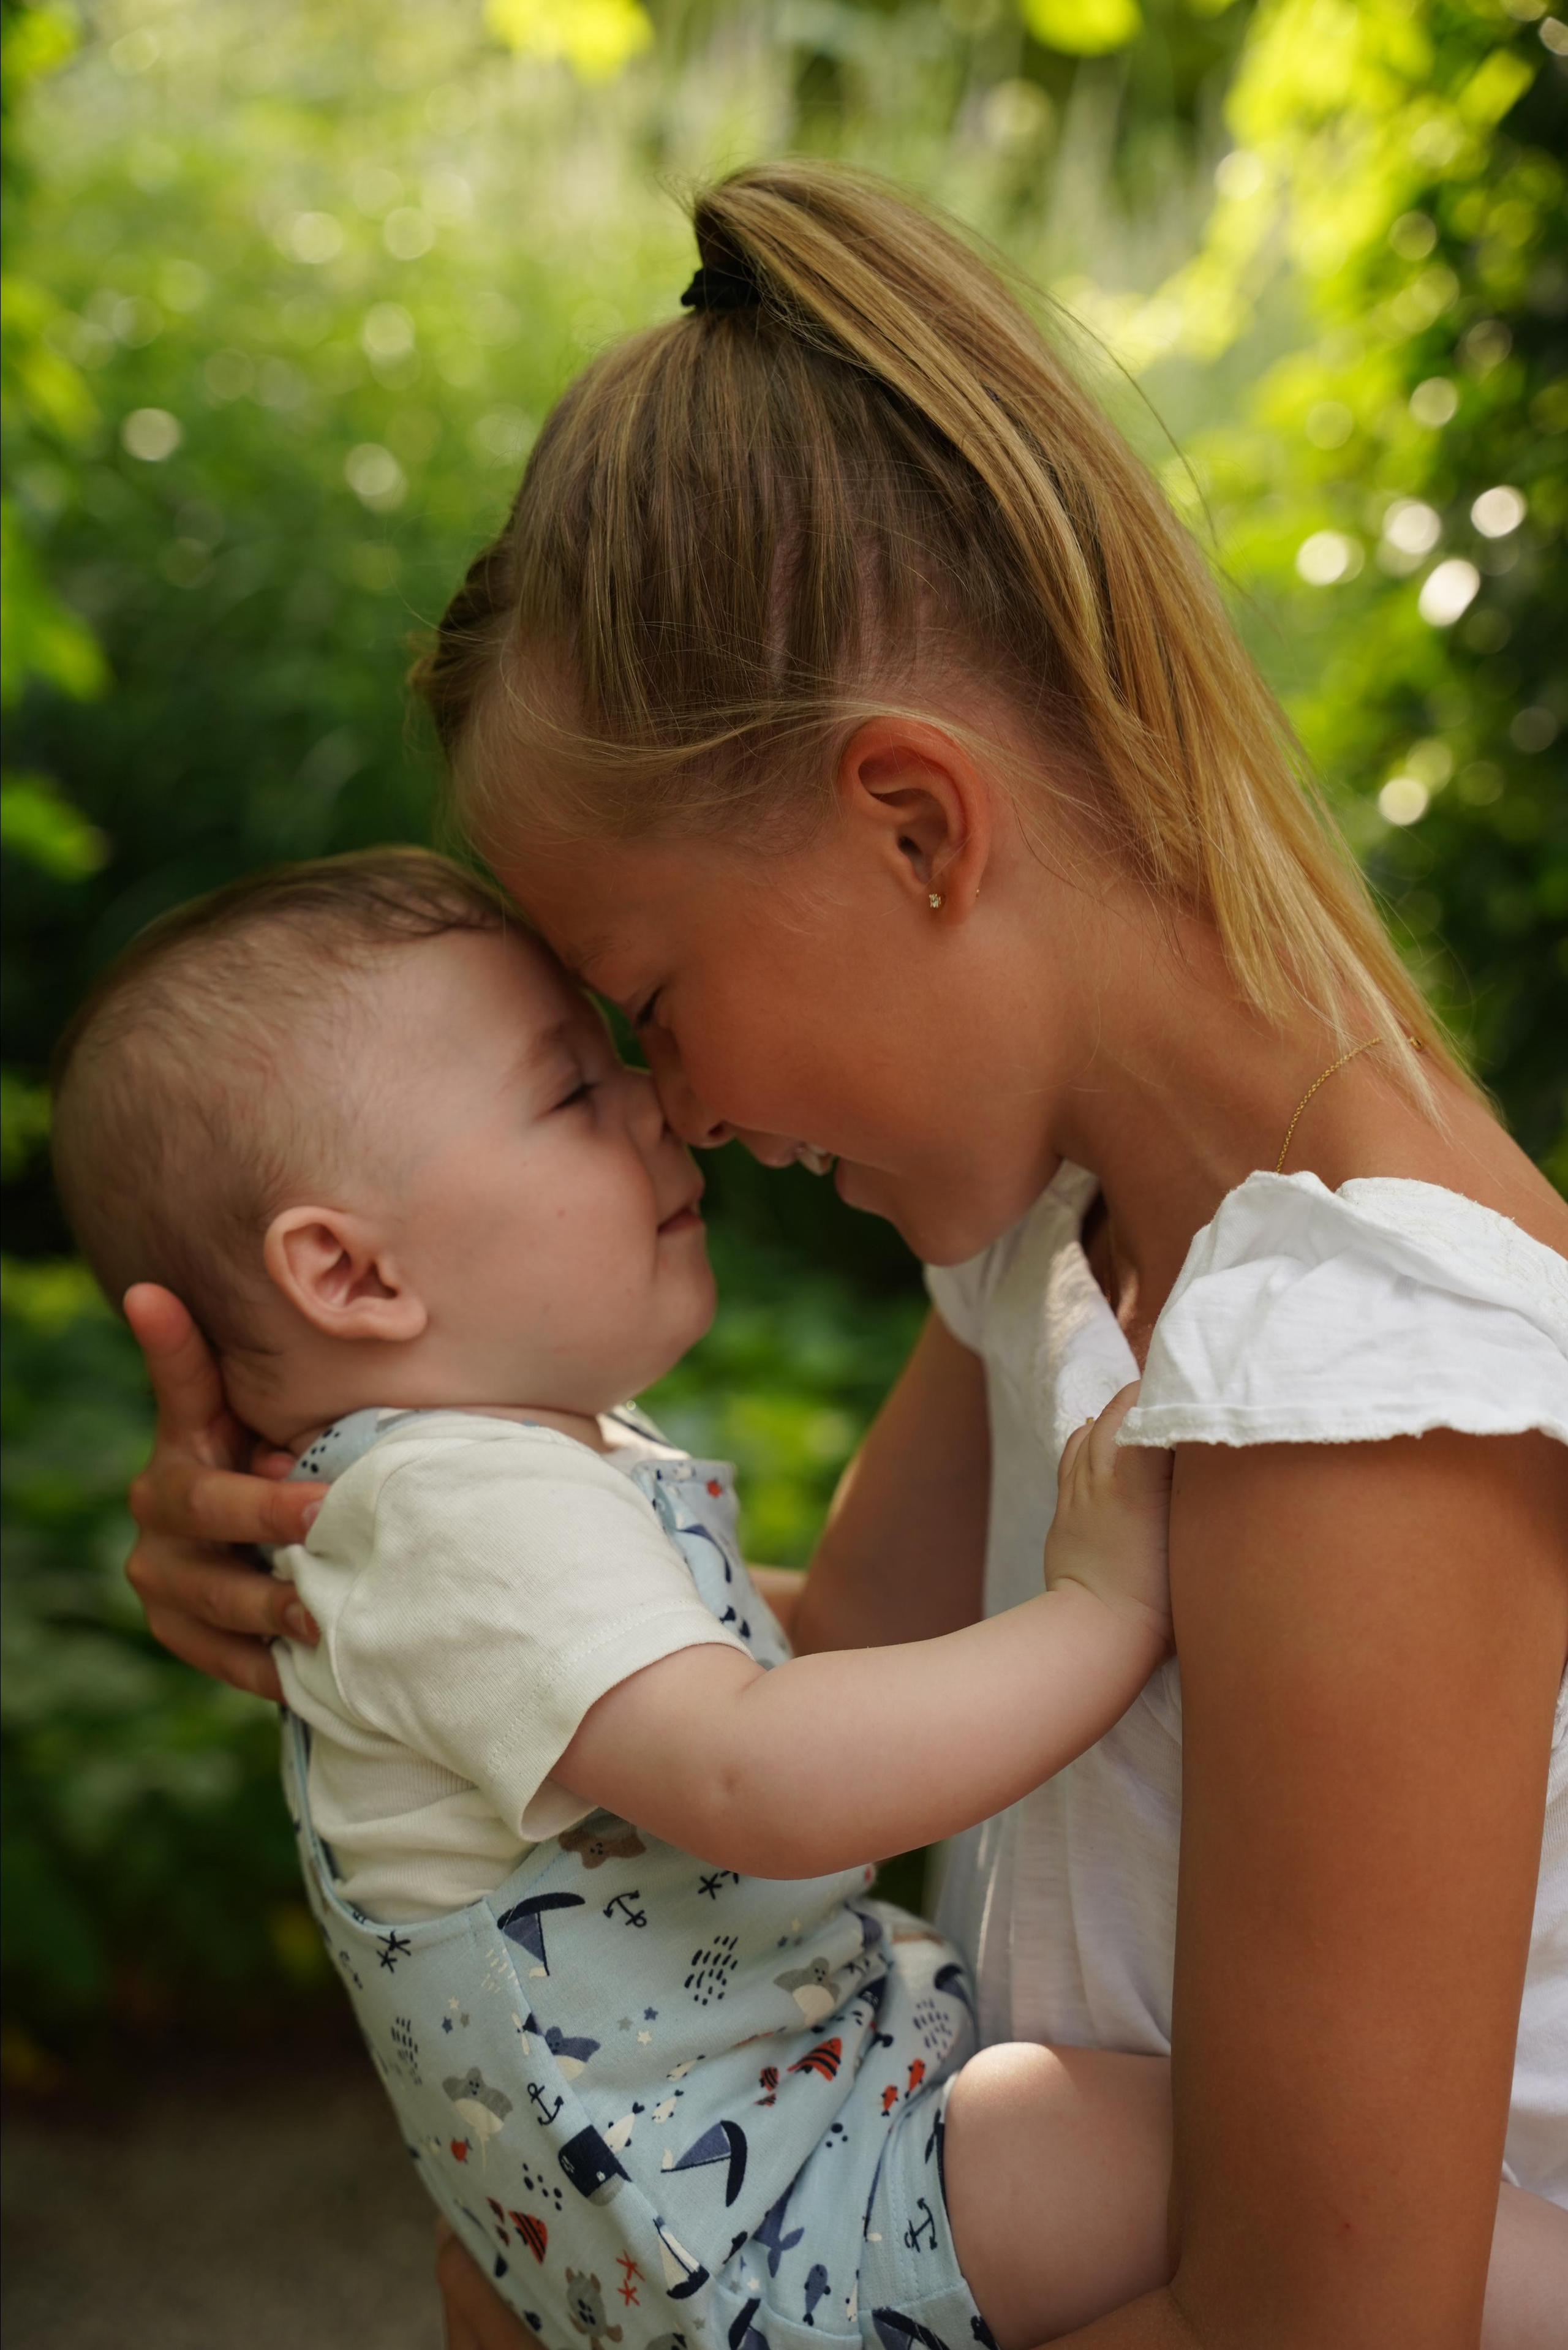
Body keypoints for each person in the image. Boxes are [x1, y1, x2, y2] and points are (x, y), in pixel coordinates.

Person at [117, 162, 1568, 2346]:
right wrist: (381, 1548)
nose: (678, 1106)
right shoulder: (1069, 1244)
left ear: (914, 823)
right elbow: (804, 1669)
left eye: (651, 999)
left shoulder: (1359, 1381)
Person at [53, 845, 1186, 2344]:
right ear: (350, 1273)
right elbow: (760, 1771)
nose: (656, 1099)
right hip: (784, 2211)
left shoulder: (473, 1486)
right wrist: (1099, 1608)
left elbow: (806, 1650)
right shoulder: (452, 1504)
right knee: (1255, 2168)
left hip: (775, 2172)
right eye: (572, 1088)